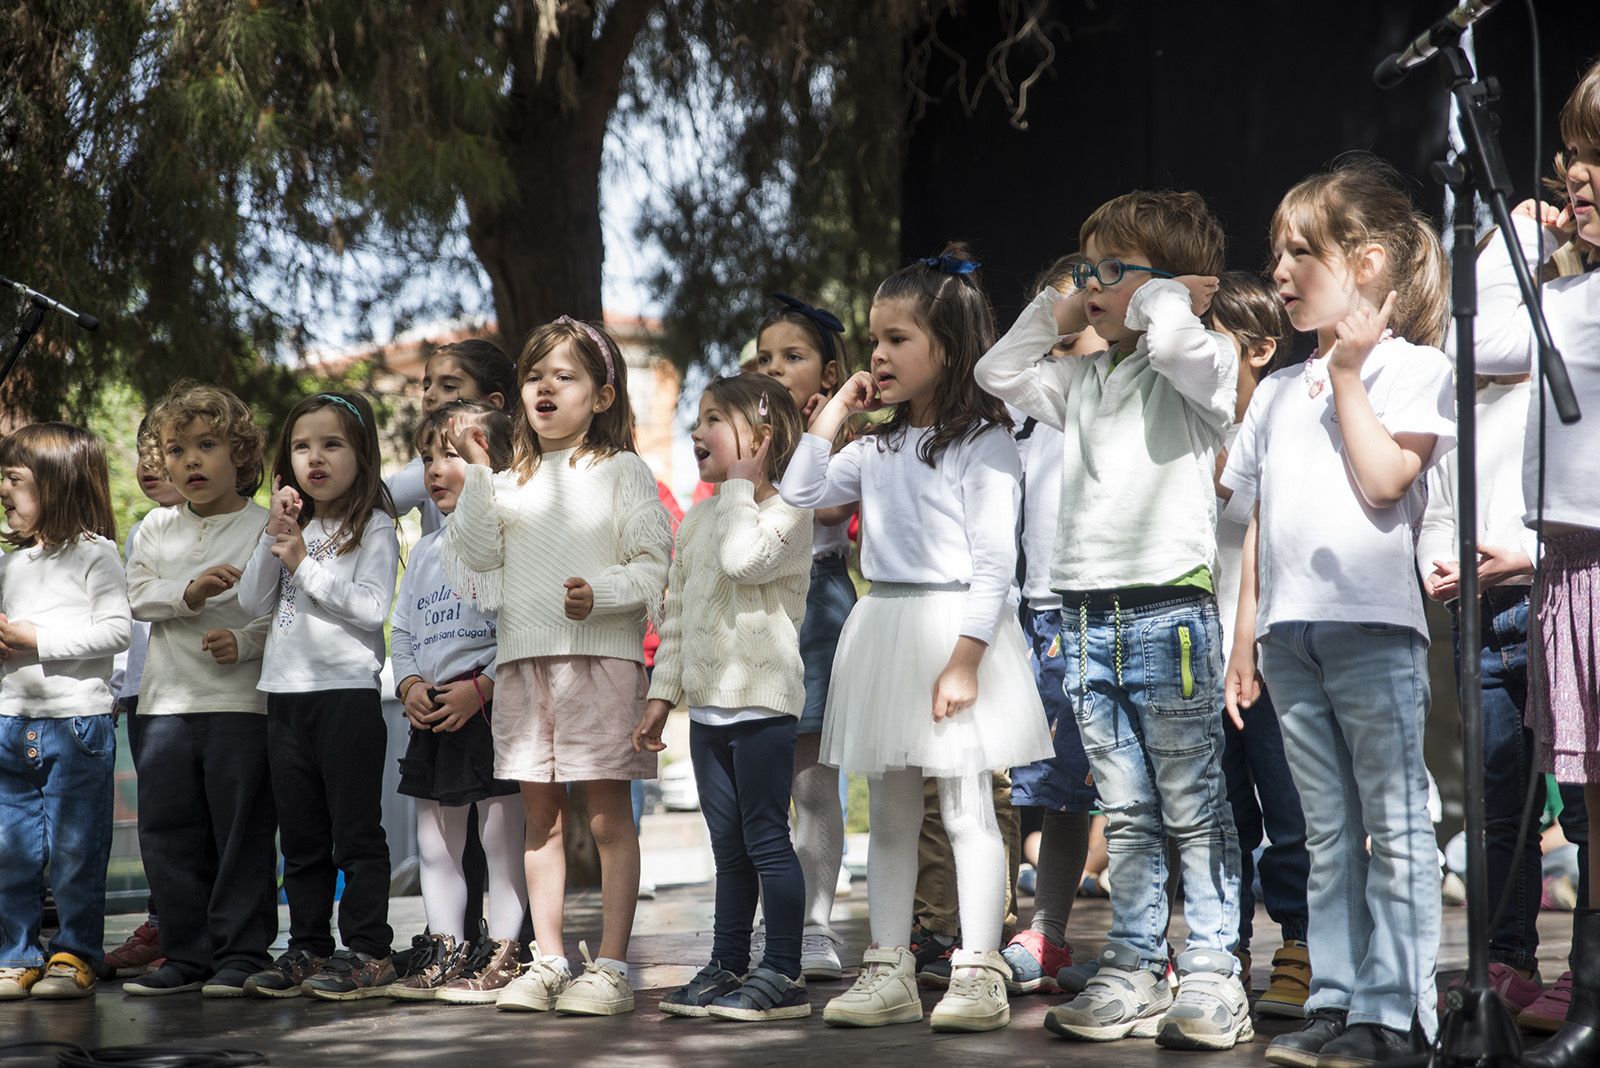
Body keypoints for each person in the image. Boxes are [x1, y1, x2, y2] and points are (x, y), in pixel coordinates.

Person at [977, 191, 1248, 1051]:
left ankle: (1212, 971)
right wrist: (1063, 303)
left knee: (1192, 804)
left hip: (1170, 612)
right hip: (1087, 618)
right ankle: (1132, 965)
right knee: (1125, 811)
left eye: (1111, 270)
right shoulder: (1084, 379)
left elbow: (1171, 342)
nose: (1093, 285)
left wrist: (1162, 296)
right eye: (1087, 269)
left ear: (1172, 285)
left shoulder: (1204, 363)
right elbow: (997, 372)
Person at [783, 245, 1054, 1033]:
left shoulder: (985, 443)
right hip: (887, 626)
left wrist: (967, 659)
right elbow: (799, 493)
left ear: (950, 346)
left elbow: (998, 561)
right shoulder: (873, 447)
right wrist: (837, 412)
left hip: (954, 629)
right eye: (874, 340)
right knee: (893, 813)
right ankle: (890, 965)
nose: (880, 353)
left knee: (968, 807)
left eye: (898, 339)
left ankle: (977, 967)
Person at [1224, 156, 1454, 1067]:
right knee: (1325, 831)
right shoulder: (1278, 390)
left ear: (1363, 263)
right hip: (1289, 637)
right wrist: (1244, 639)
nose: (1278, 271)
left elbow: (1387, 476)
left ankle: (1397, 1013)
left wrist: (1351, 374)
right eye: (1274, 253)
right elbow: (1248, 522)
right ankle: (1336, 996)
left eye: (1298, 252)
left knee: (1393, 824)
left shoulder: (1410, 367)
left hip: (1372, 629)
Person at [443, 316, 672, 1016]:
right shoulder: (509, 478)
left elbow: (653, 568)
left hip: (599, 662)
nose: (544, 388)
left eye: (563, 376)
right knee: (538, 819)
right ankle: (546, 958)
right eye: (534, 376)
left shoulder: (623, 469)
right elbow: (476, 555)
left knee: (605, 817)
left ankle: (610, 965)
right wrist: (481, 474)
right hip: (521, 665)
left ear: (601, 397)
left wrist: (598, 595)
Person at [1459, 56, 1600, 1068]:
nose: (1578, 177)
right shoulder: (1574, 293)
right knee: (1590, 802)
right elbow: (1486, 337)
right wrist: (1525, 243)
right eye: (1574, 158)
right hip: (1572, 564)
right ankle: (1590, 989)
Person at [637, 373, 814, 1021]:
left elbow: (745, 561)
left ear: (761, 439)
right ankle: (727, 962)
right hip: (708, 712)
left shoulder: (789, 509)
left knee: (767, 838)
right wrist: (662, 698)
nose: (695, 430)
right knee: (728, 848)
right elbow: (677, 616)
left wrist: (741, 483)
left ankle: (785, 972)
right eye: (696, 420)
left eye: (714, 419)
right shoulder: (701, 518)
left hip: (763, 707)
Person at [237, 391, 401, 1000]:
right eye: (303, 446)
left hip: (347, 697)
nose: (316, 458)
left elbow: (371, 608)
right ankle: (307, 945)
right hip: (285, 695)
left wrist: (304, 562)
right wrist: (275, 533)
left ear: (362, 455)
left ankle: (368, 949)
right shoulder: (288, 527)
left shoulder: (374, 523)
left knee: (354, 832)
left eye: (332, 444)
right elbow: (252, 602)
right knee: (300, 836)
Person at [122, 383, 277, 998]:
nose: (190, 461)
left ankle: (241, 952)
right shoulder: (156, 527)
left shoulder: (267, 527)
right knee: (168, 833)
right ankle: (186, 956)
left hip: (241, 704)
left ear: (240, 454)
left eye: (206, 445)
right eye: (176, 449)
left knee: (239, 834)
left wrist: (244, 643)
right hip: (164, 705)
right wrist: (190, 591)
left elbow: (282, 613)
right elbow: (136, 596)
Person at [386, 401, 529, 1004]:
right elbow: (404, 631)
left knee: (500, 843)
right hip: (434, 714)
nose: (436, 470)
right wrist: (410, 685)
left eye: (452, 455)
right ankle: (447, 945)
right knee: (434, 844)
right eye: (427, 459)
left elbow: (522, 624)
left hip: (490, 711)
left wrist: (484, 687)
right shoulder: (422, 552)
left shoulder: (511, 537)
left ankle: (507, 950)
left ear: (489, 462)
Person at [1209, 271, 1314, 1018]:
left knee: (1289, 810)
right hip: (1198, 650)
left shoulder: (1282, 419)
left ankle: (1302, 945)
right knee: (1223, 815)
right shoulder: (1186, 422)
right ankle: (1225, 949)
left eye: (1208, 341)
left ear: (1259, 350)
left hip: (1268, 649)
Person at [1002, 253, 1104, 997]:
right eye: (1060, 336)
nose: (1067, 346)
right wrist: (1054, 308)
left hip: (1113, 602)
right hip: (1040, 611)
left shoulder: (1135, 387)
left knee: (1133, 787)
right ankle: (1050, 932)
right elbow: (996, 367)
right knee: (1057, 785)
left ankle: (1149, 941)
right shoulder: (1038, 400)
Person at [0, 423, 130, 1000]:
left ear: (55, 485)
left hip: (77, 724)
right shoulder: (13, 564)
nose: (3, 489)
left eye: (14, 479)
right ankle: (16, 953)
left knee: (77, 849)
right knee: (13, 848)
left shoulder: (96, 556)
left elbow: (115, 630)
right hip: (9, 721)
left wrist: (37, 638)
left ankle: (75, 952)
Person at [755, 293, 856, 978]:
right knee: (759, 785)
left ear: (826, 373)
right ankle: (771, 915)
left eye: (792, 356)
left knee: (814, 783)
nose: (774, 367)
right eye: (765, 357)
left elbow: (824, 506)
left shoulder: (846, 440)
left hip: (817, 605)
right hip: (757, 612)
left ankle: (817, 922)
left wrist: (817, 433)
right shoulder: (744, 435)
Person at [100, 433, 184, 981]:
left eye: (167, 455)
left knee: (205, 820)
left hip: (201, 692)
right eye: (143, 457)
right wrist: (115, 682)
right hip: (142, 692)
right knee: (160, 819)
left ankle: (198, 929)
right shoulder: (140, 531)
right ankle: (162, 921)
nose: (150, 468)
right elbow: (131, 621)